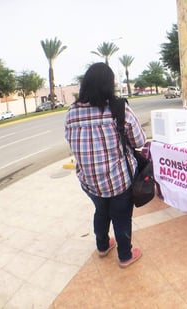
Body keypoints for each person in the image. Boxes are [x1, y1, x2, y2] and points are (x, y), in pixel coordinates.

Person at [64, 62, 146, 268]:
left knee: (101, 211)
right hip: (118, 180)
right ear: (109, 85)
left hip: (89, 181)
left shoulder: (71, 112)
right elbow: (139, 141)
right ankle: (125, 255)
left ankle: (102, 245)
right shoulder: (119, 109)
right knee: (120, 216)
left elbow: (71, 141)